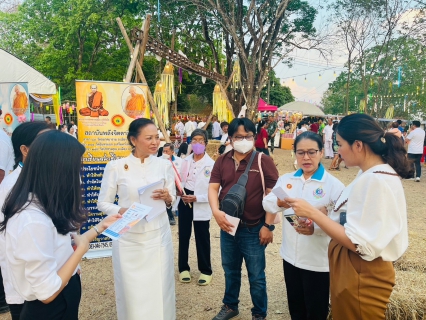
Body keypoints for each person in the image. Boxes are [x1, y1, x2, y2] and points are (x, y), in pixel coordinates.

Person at [285, 113, 411, 320]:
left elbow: (361, 244)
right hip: (354, 270)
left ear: (358, 145)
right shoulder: (368, 174)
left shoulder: (376, 180)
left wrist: (313, 213)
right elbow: (350, 215)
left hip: (362, 272)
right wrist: (321, 215)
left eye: (341, 144)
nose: (338, 150)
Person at [1, 130, 121, 320]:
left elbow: (63, 245)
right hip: (50, 308)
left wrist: (100, 227)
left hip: (63, 296)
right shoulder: (33, 220)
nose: (78, 176)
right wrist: (80, 251)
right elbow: (47, 292)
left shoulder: (44, 204)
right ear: (58, 171)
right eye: (75, 169)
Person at [97, 118, 176, 320]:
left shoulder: (164, 165)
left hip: (158, 237)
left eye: (156, 137)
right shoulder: (116, 166)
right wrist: (123, 210)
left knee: (160, 288)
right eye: (148, 138)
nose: (154, 142)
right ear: (133, 140)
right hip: (128, 239)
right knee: (131, 292)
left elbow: (172, 199)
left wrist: (168, 198)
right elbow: (103, 203)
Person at [263, 131, 344, 320]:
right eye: (300, 152)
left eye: (311, 152)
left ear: (321, 152)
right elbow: (267, 202)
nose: (306, 157)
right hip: (290, 257)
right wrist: (280, 203)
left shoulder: (333, 185)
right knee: (296, 308)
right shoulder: (287, 180)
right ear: (295, 154)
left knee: (316, 311)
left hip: (318, 261)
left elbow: (340, 223)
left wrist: (315, 229)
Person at [208, 117, 279, 320]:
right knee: (230, 270)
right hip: (228, 225)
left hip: (254, 227)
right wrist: (216, 211)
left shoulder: (262, 160)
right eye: (239, 136)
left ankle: (259, 313)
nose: (244, 140)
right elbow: (213, 188)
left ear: (254, 137)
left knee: (256, 276)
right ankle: (230, 305)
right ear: (230, 138)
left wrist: (268, 225)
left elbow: (274, 195)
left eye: (248, 136)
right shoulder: (222, 160)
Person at [0, 121, 50, 320]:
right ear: (25, 149)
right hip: (27, 286)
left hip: (57, 277)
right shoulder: (10, 188)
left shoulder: (50, 177)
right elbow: (6, 243)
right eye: (45, 141)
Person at [178, 129, 215, 286]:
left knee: (202, 237)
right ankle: (183, 268)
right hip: (185, 200)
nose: (197, 143)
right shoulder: (185, 161)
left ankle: (206, 270)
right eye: (194, 140)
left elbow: (215, 191)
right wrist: (180, 193)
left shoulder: (211, 165)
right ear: (190, 143)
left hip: (200, 201)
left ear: (206, 143)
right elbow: (179, 180)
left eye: (201, 141)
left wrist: (197, 198)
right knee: (184, 235)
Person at [162, 143, 183, 225]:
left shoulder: (179, 161)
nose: (165, 153)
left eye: (167, 151)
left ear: (172, 152)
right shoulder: (159, 160)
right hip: (165, 183)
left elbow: (181, 173)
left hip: (176, 182)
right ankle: (170, 214)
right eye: (163, 151)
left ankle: (174, 210)